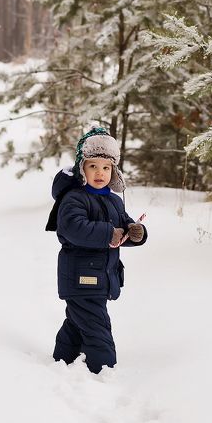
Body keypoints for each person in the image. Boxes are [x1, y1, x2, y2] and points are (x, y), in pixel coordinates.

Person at [51, 127, 148, 374]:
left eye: (106, 168)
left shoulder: (113, 200)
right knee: (97, 326)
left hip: (100, 276)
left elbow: (123, 228)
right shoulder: (74, 198)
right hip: (81, 277)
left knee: (77, 320)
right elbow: (73, 228)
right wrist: (109, 233)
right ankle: (102, 369)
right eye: (93, 166)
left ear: (113, 171)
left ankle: (64, 358)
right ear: (81, 168)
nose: (100, 173)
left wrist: (136, 233)